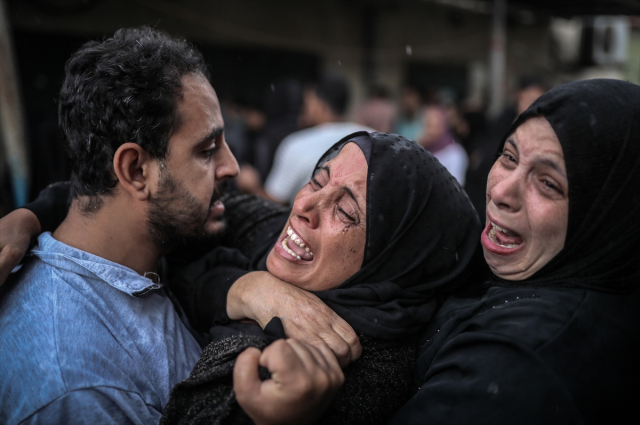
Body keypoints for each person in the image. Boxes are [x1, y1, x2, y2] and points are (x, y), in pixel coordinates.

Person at [0, 27, 343, 425]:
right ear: (135, 170)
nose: (231, 167)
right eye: (207, 150)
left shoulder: (145, 252)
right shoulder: (80, 388)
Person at [158, 131, 479, 424]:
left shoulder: (354, 372)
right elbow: (180, 223)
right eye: (317, 180)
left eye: (345, 212)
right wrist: (246, 290)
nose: (302, 206)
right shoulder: (273, 233)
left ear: (395, 259)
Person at [390, 78, 640, 424]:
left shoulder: (521, 358)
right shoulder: (523, 279)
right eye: (509, 157)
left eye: (548, 183)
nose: (501, 191)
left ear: (609, 214)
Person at [237, 74, 371, 205]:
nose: (303, 108)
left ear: (319, 105)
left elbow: (272, 204)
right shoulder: (371, 136)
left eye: (307, 101)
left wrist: (252, 186)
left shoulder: (297, 144)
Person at [417, 105, 468, 185]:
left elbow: (456, 186)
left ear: (442, 127)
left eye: (431, 126)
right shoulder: (421, 147)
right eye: (426, 126)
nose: (428, 131)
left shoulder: (454, 153)